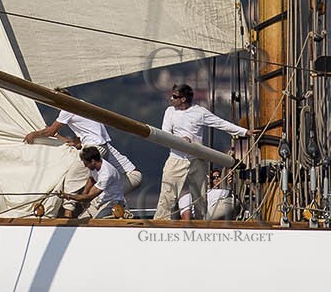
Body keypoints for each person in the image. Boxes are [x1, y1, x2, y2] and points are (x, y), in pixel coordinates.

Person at [154, 84, 249, 220]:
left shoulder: (199, 112)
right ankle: (159, 223)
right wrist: (180, 139)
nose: (171, 98)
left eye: (175, 96)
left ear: (183, 99)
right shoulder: (170, 111)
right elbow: (165, 133)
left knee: (200, 197)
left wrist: (244, 132)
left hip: (196, 159)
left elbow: (220, 123)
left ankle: (201, 224)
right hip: (176, 159)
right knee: (167, 195)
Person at [25, 109, 143, 189]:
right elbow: (73, 143)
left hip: (128, 176)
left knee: (78, 183)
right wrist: (57, 137)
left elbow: (51, 130)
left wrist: (34, 134)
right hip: (129, 175)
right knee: (99, 196)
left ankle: (69, 210)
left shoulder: (68, 108)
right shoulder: (95, 140)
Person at [60, 146, 126, 220]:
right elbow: (91, 179)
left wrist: (69, 196)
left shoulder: (106, 174)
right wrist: (84, 192)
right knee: (80, 220)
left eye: (86, 163)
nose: (85, 165)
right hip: (100, 200)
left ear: (93, 161)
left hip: (112, 202)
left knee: (96, 222)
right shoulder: (94, 166)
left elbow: (89, 197)